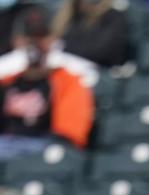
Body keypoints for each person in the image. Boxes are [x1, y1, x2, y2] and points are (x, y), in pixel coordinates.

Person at [0, 4, 95, 155]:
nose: (34, 43)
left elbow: (69, 136)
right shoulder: (6, 81)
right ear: (17, 41)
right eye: (29, 37)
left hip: (43, 149)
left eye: (41, 36)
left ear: (52, 40)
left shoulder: (68, 81)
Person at [51, 0, 129, 68]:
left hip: (99, 73)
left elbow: (100, 52)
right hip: (65, 65)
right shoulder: (74, 14)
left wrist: (62, 46)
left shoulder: (114, 18)